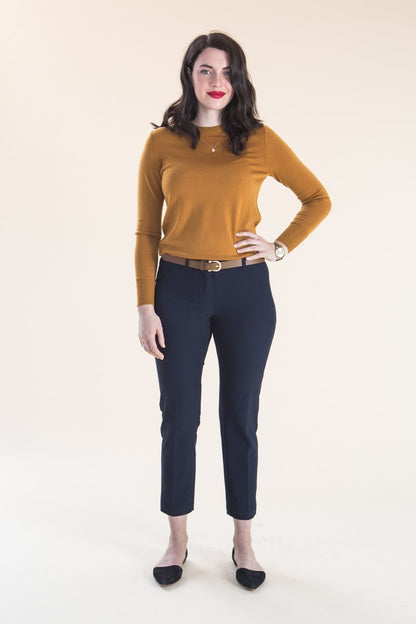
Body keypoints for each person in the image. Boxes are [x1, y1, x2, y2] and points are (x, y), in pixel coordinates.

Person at [134, 31, 332, 590]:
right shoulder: (162, 144)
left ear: (238, 78)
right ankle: (177, 538)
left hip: (246, 293)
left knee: (240, 417)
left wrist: (279, 247)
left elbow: (318, 198)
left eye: (226, 71)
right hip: (177, 290)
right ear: (189, 76)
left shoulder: (259, 141)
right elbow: (147, 231)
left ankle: (244, 542)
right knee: (179, 417)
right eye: (205, 70)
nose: (216, 82)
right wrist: (145, 305)